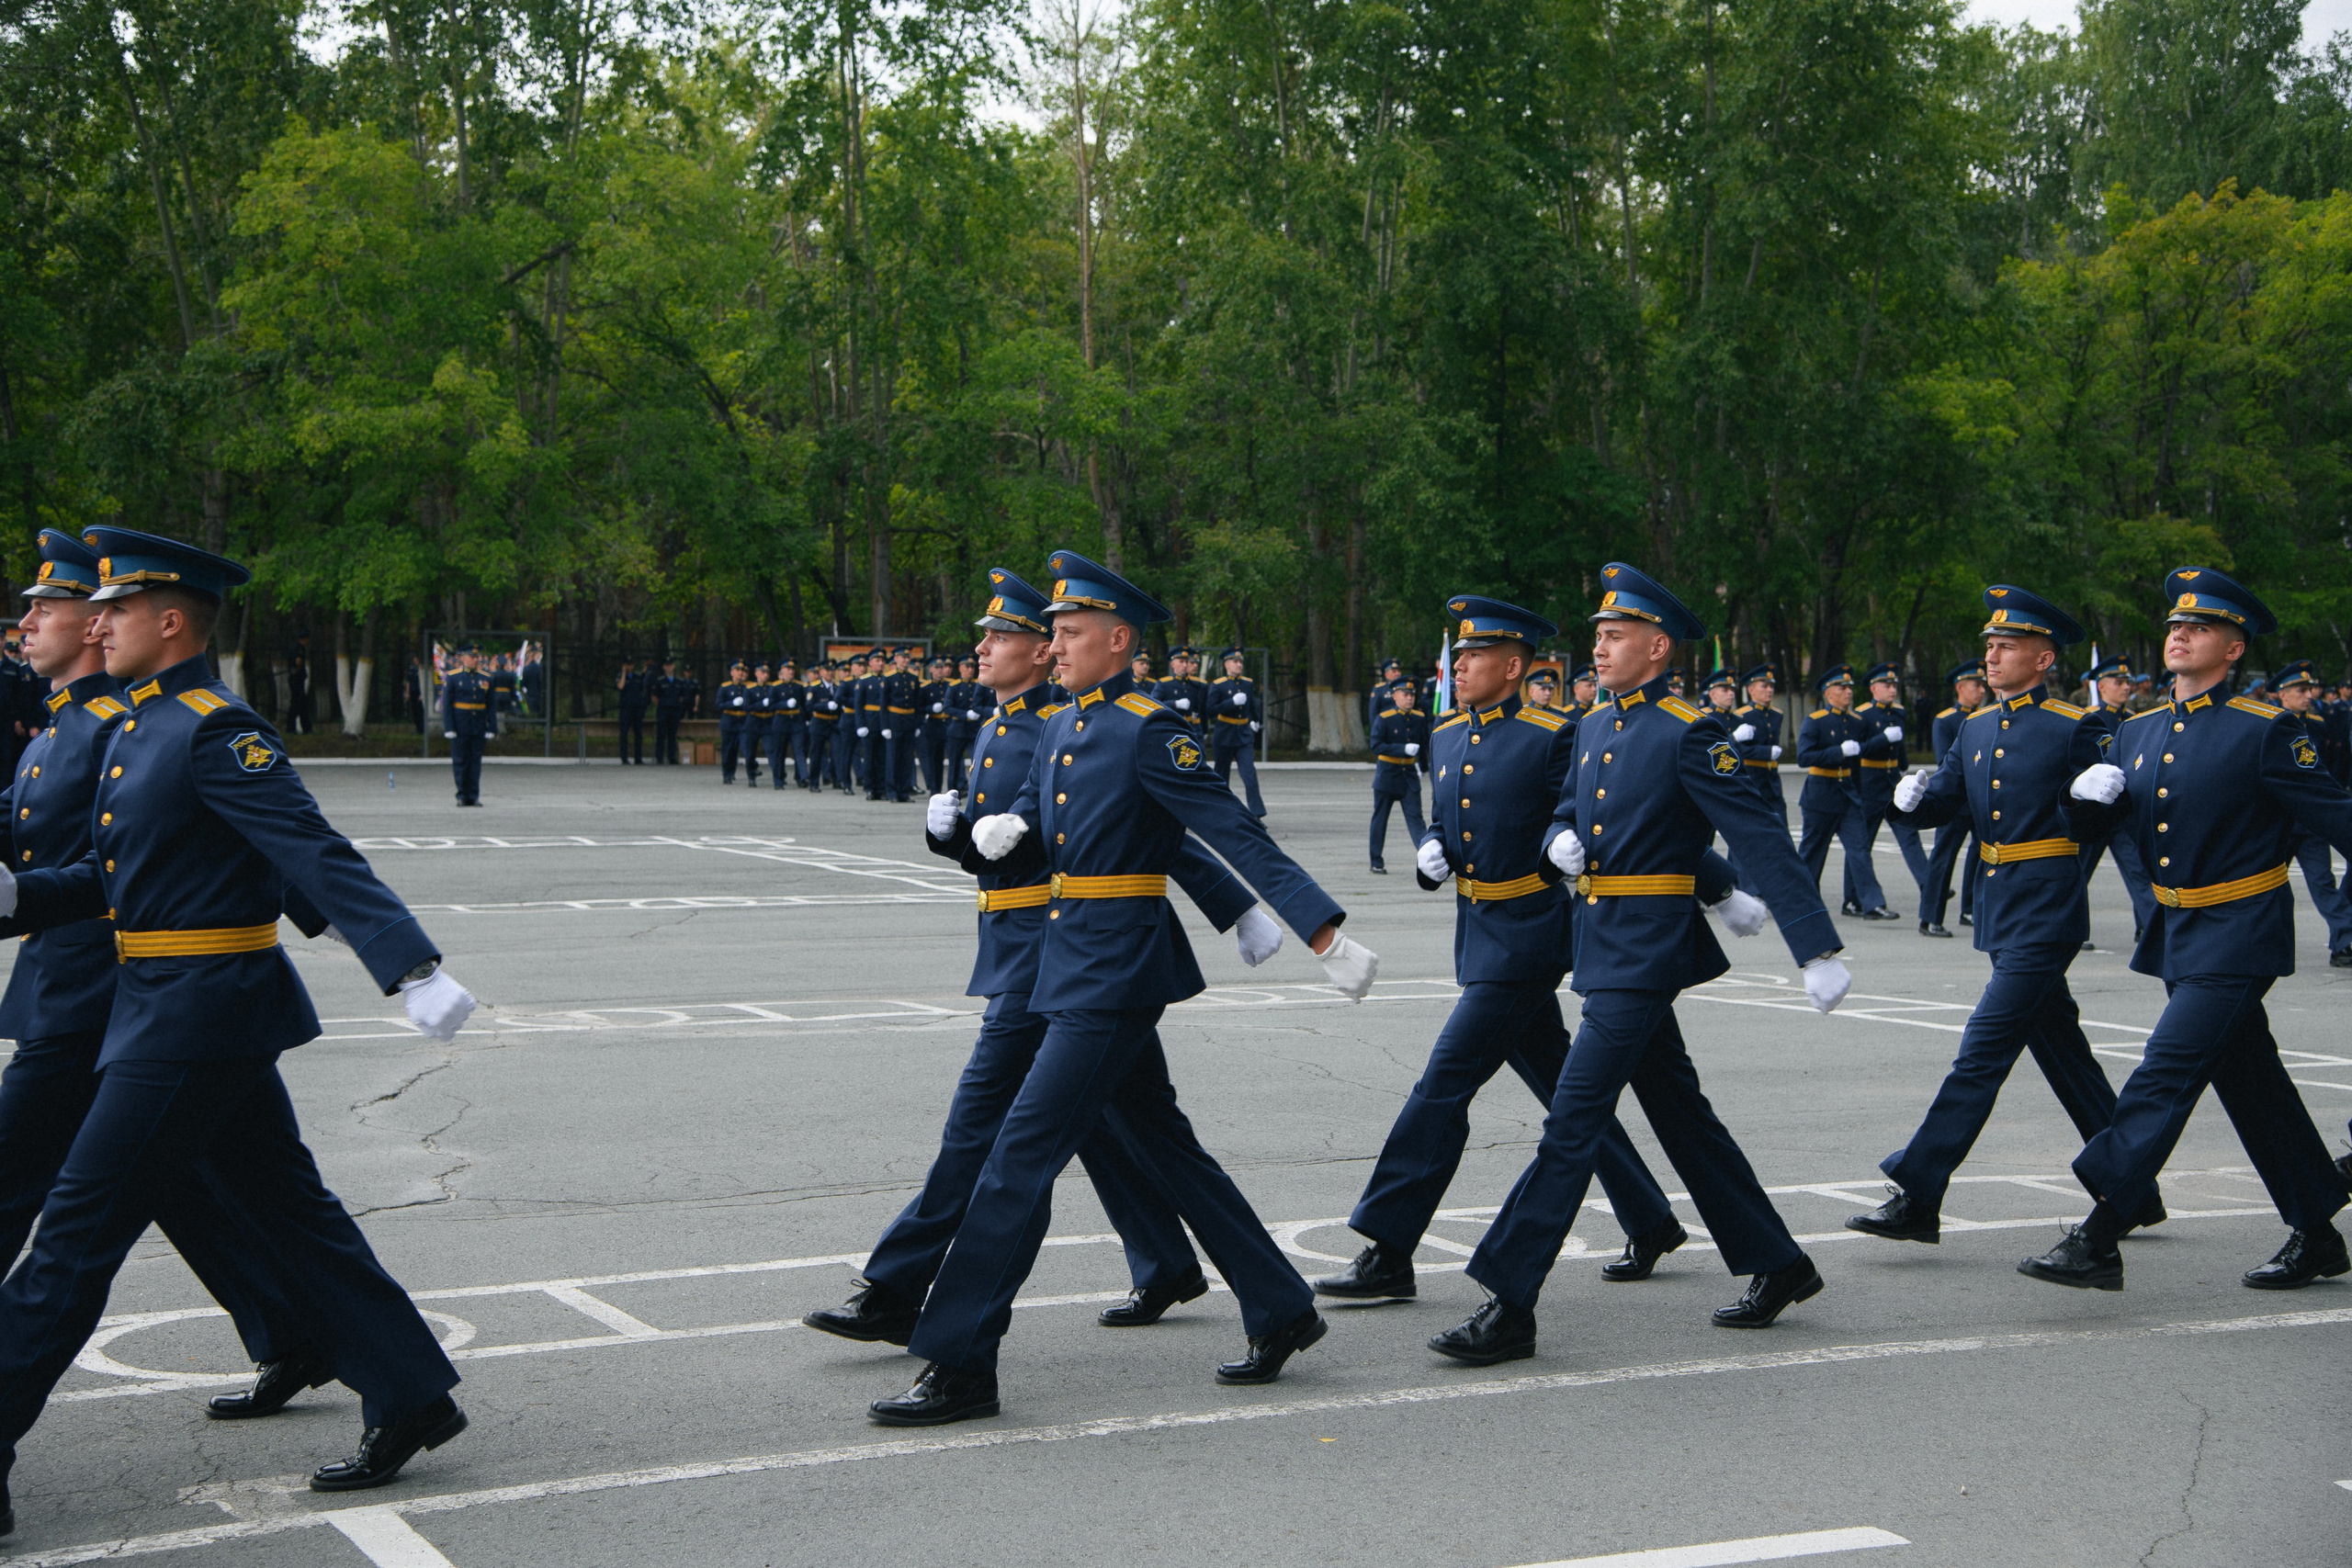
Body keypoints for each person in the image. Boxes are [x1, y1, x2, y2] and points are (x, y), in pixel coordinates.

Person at [0, 527, 483, 1529]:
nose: (97, 623)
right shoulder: (140, 728)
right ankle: (408, 1391)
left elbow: (310, 848)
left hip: (195, 1015)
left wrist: (409, 965)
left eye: (117, 610)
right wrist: (17, 896)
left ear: (169, 621)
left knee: (76, 1237)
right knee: (288, 1210)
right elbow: (115, 879)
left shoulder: (215, 729)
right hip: (165, 1011)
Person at [871, 550, 1381, 1426]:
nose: (1054, 647)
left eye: (1068, 634)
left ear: (1118, 639)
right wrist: (983, 835)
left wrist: (1318, 927)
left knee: (1017, 1156)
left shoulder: (1151, 727)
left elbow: (1228, 829)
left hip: (1115, 970)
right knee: (1166, 1146)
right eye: (1053, 634)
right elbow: (1035, 836)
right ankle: (1281, 1306)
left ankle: (960, 1362)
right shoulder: (1065, 723)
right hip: (1062, 962)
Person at [807, 568, 1284, 1349]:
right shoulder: (1006, 724)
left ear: (1038, 653)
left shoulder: (1059, 725)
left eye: (1003, 637)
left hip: (1053, 953)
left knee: (988, 1133)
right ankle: (1184, 1266)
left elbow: (1152, 829)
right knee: (1127, 1126)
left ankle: (900, 1288)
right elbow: (1001, 849)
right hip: (1035, 948)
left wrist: (1235, 907)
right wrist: (952, 835)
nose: (983, 647)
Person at [1429, 565, 1851, 1367]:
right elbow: (1572, 806)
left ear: (1657, 646)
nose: (1599, 644)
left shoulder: (1687, 729)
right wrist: (1562, 833)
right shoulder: (1591, 721)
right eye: (1598, 633)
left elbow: (1756, 833)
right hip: (1602, 939)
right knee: (1682, 1114)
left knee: (1572, 1120)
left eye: (1614, 634)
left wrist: (1815, 943)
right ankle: (1779, 1260)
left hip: (1648, 950)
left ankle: (1509, 1298)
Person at [1318, 600, 1758, 1314]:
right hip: (1479, 932)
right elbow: (1449, 818)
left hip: (1531, 937)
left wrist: (1716, 886)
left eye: (1474, 655)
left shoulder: (1556, 735)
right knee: (1573, 1091)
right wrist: (1433, 850)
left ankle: (1389, 1248)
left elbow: (1626, 819)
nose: (1458, 665)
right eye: (1456, 656)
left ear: (1516, 667)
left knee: (1443, 1085)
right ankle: (1649, 1217)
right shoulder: (1446, 733)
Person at [0, 531, 310, 1428]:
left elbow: (175, 849)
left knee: (49, 1199)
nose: (30, 621)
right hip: (99, 998)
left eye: (47, 607)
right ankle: (295, 1330)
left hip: (108, 999)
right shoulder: (67, 725)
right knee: (192, 1184)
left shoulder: (120, 728)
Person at [2020, 567, 2351, 1294]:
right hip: (2178, 931)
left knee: (2163, 1071)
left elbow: (2338, 817)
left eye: (2198, 628)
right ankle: (2318, 1231)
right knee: (2250, 1081)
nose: (2179, 635)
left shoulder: (2267, 730)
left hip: (2240, 930)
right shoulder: (2138, 731)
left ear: (2232, 650)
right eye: (2175, 626)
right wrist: (2083, 801)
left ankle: (2102, 1230)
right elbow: (2099, 823)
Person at [1849, 587, 2161, 1252]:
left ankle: (1920, 1187)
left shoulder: (2074, 724)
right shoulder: (1977, 725)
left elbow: (2108, 807)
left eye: (2006, 645)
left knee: (1981, 1050)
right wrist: (1911, 802)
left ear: (2043, 658)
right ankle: (2135, 1187)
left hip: (2047, 905)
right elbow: (1949, 802)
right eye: (1989, 645)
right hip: (1999, 903)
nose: (1990, 655)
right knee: (2063, 1051)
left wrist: (2088, 799)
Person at [2267, 660, 2352, 966]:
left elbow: (2325, 770)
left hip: (2310, 824)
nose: (2308, 695)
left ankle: (2344, 942)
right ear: (2282, 693)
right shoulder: (2266, 725)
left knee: (2323, 883)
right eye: (2301, 690)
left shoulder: (2317, 724)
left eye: (2309, 689)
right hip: (2278, 823)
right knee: (2267, 886)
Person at [1796, 665, 1894, 919]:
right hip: (1821, 795)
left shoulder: (1857, 722)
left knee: (1860, 849)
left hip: (1848, 795)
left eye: (1850, 688)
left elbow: (1858, 763)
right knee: (1813, 853)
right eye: (1842, 688)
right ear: (1829, 693)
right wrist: (1838, 752)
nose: (1848, 692)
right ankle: (1804, 902)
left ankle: (1872, 903)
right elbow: (1803, 757)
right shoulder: (1815, 721)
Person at [2075, 654, 2157, 943]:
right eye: (2118, 682)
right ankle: (2072, 930)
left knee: (2140, 871)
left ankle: (2152, 930)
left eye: (2128, 682)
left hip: (2123, 812)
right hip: (2094, 811)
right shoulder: (2087, 718)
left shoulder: (2134, 720)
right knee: (2077, 874)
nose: (2125, 687)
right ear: (2102, 685)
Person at [1917, 660, 1987, 937]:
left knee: (1981, 856)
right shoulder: (1945, 720)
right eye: (1975, 685)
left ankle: (1970, 909)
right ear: (1960, 687)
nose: (1981, 690)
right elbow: (1945, 761)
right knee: (1944, 857)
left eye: (1983, 685)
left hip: (1980, 800)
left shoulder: (1986, 717)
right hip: (1955, 800)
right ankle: (1930, 917)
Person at [1366, 678, 1430, 874]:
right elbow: (1376, 745)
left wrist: (1425, 768)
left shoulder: (1419, 717)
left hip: (1409, 776)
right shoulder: (1384, 718)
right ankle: (1376, 861)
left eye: (1412, 695)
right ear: (1395, 697)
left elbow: (1424, 745)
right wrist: (1402, 749)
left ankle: (1428, 861)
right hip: (1387, 775)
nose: (1410, 699)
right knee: (1380, 819)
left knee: (1417, 821)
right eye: (1405, 695)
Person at [1208, 647, 1265, 818]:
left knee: (1249, 774)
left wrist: (1255, 719)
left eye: (1241, 662)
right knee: (1221, 776)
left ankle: (1257, 813)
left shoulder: (1247, 683)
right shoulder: (1218, 685)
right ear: (1227, 664)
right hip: (1225, 733)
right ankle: (1220, 811)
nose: (1239, 665)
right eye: (1235, 661)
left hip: (1243, 734)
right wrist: (1231, 703)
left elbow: (1252, 704)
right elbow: (1211, 710)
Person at [1730, 663, 1787, 828]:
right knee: (1752, 828)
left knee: (1781, 828)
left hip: (1772, 780)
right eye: (1764, 686)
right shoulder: (1741, 716)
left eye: (1771, 686)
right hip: (1752, 778)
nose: (1769, 690)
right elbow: (1739, 750)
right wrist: (1765, 752)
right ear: (1751, 690)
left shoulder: (1777, 715)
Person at [439, 644, 492, 807]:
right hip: (460, 726)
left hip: (477, 726)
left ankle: (473, 795)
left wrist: (491, 727)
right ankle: (462, 795)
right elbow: (447, 705)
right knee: (461, 762)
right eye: (472, 657)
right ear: (463, 658)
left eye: (477, 657)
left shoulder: (486, 678)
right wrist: (449, 727)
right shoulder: (454, 677)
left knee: (475, 762)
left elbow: (490, 705)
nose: (475, 660)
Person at [716, 660, 758, 785]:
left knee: (748, 749)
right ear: (732, 672)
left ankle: (751, 775)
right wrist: (732, 703)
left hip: (745, 721)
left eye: (743, 671)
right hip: (729, 720)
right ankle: (728, 774)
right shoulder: (725, 687)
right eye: (738, 670)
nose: (740, 673)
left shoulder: (750, 686)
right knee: (728, 750)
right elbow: (718, 705)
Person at [945, 655, 983, 792]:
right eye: (967, 666)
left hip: (973, 729)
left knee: (976, 761)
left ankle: (974, 790)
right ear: (961, 668)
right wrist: (965, 714)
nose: (970, 669)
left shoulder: (977, 685)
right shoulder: (954, 686)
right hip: (957, 729)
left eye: (972, 666)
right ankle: (952, 790)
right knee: (954, 763)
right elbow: (948, 707)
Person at [770, 660, 807, 789]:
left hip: (796, 722)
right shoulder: (775, 686)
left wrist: (806, 719)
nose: (791, 672)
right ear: (782, 671)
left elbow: (804, 704)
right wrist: (784, 705)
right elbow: (771, 705)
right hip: (781, 721)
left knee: (799, 750)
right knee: (780, 752)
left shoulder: (799, 686)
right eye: (788, 669)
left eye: (792, 669)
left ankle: (802, 777)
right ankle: (778, 780)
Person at [919, 655, 953, 795]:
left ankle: (953, 789)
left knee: (950, 759)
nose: (940, 671)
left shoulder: (950, 685)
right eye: (937, 668)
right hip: (934, 725)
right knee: (934, 760)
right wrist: (931, 708)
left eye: (942, 668)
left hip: (948, 724)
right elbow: (919, 707)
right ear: (931, 669)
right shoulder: (925, 687)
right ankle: (935, 790)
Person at [653, 658, 691, 764]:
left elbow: (682, 696)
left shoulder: (679, 681)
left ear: (674, 666)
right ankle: (659, 757)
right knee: (661, 734)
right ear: (664, 667)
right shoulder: (660, 681)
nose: (669, 667)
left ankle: (672, 757)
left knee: (672, 735)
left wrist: (675, 703)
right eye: (667, 665)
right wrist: (662, 704)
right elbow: (655, 696)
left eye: (671, 665)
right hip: (663, 710)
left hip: (674, 711)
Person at [615, 659, 649, 764]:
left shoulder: (638, 677)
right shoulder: (620, 676)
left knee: (638, 733)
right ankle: (624, 758)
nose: (629, 666)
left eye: (630, 664)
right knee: (624, 733)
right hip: (625, 708)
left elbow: (642, 689)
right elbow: (620, 686)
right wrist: (624, 673)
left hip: (637, 708)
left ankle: (638, 758)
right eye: (626, 664)